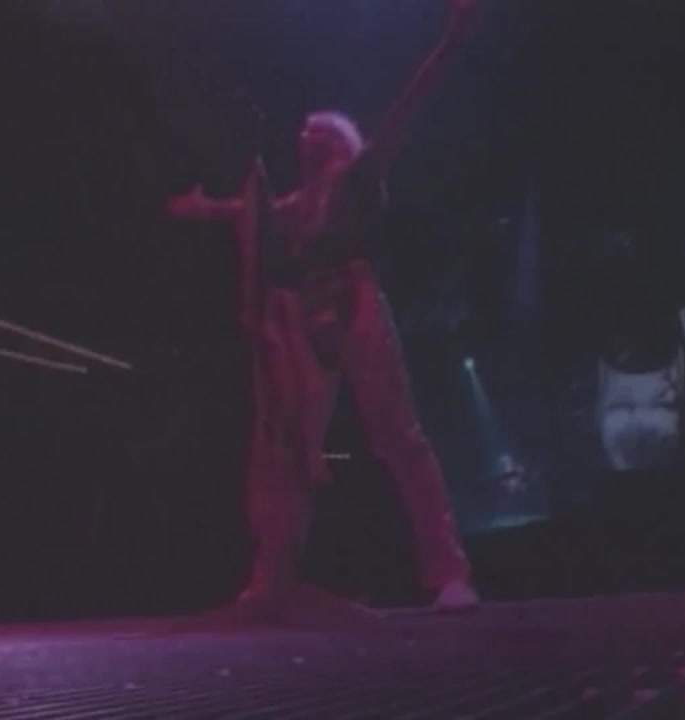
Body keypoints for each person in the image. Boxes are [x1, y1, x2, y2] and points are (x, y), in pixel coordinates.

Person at [167, 0, 480, 613]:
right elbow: (246, 213)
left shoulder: (360, 175)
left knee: (398, 436)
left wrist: (451, 39)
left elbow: (410, 104)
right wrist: (201, 210)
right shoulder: (297, 202)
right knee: (289, 447)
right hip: (306, 320)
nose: (304, 134)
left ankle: (449, 573)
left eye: (317, 130)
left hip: (354, 300)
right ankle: (274, 573)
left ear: (339, 140)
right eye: (303, 131)